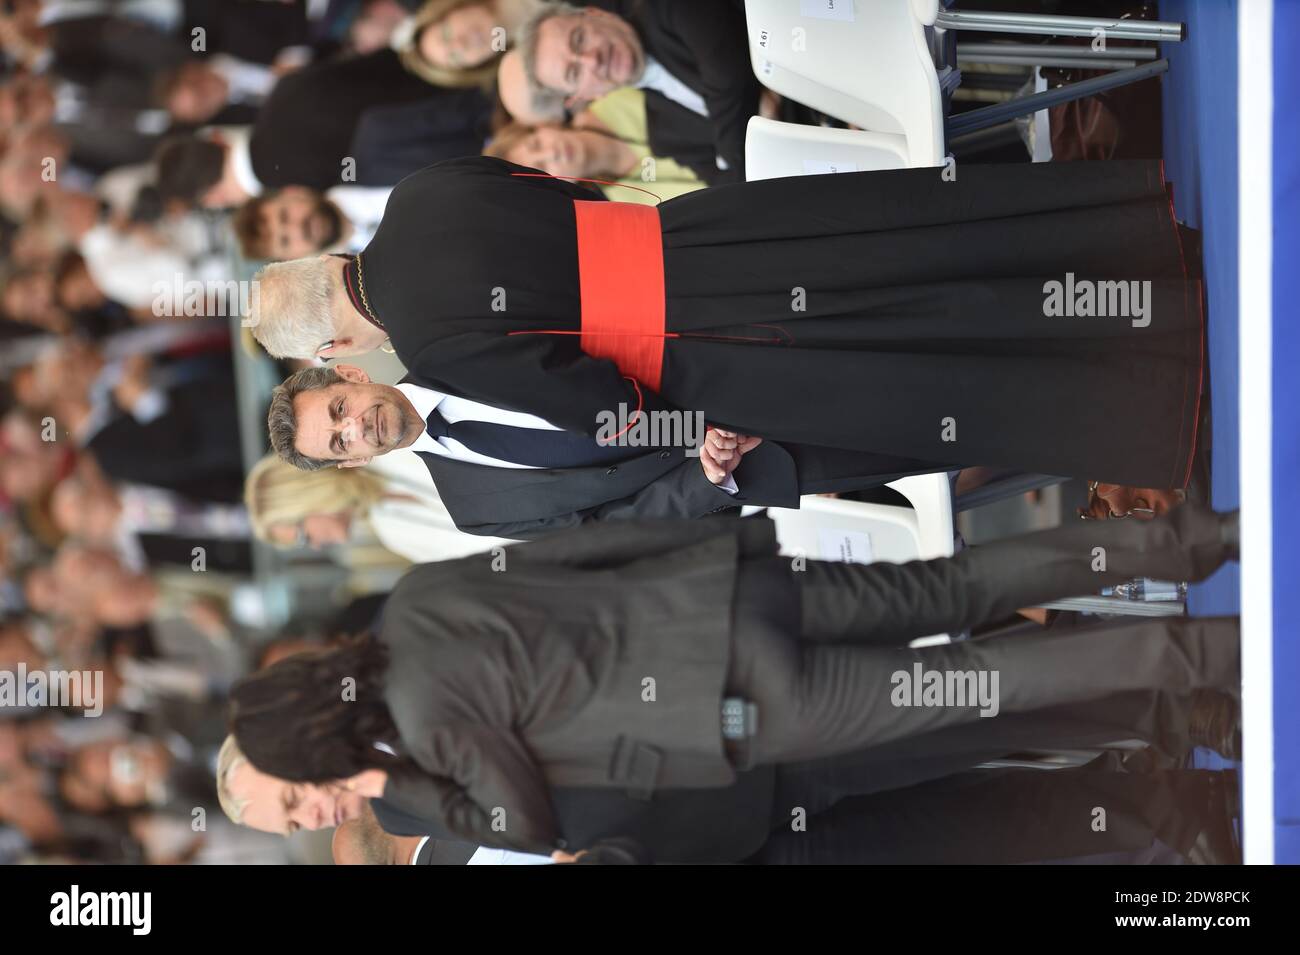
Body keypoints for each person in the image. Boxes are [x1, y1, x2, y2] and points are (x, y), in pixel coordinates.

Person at [226, 503, 1240, 853]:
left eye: (295, 793)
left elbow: (524, 823)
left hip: (744, 711)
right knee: (962, 581)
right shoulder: (412, 601)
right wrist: (718, 547)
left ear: (311, 744)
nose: (314, 807)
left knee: (982, 684)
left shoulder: (422, 728)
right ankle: (1195, 540)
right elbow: (576, 548)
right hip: (728, 592)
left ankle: (1201, 654)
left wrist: (383, 785)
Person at [250, 154, 1204, 513]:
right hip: (702, 232)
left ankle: (1151, 364)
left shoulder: (430, 345)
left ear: (330, 352)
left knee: (924, 362)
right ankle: (1143, 249)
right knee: (911, 246)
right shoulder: (418, 192)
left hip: (702, 340)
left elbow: (592, 398)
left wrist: (646, 414)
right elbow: (557, 190)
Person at [265, 363, 943, 539]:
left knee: (925, 366)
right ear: (350, 463)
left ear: (352, 379)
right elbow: (615, 524)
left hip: (738, 372)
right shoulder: (471, 508)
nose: (355, 428)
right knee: (937, 434)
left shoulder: (455, 353)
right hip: (761, 465)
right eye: (339, 443)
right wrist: (708, 475)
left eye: (339, 412)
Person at [504, 2, 758, 182]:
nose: (592, 60)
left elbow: (730, 78)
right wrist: (747, 115)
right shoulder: (666, 138)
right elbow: (734, 193)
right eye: (574, 72)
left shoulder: (664, 8)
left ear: (595, 14)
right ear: (581, 97)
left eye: (579, 39)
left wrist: (744, 131)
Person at [244, 451, 510, 561]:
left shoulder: (391, 450)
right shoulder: (391, 533)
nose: (315, 544)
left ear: (304, 498)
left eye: (303, 536)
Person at [485, 87, 706, 204]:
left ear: (543, 126)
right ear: (556, 187)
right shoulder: (631, 207)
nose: (552, 153)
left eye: (537, 144)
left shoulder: (613, 91)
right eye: (543, 167)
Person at [394, 0, 546, 88]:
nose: (460, 44)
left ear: (452, 8)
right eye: (454, 57)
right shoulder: (542, 68)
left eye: (446, 34)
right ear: (476, 67)